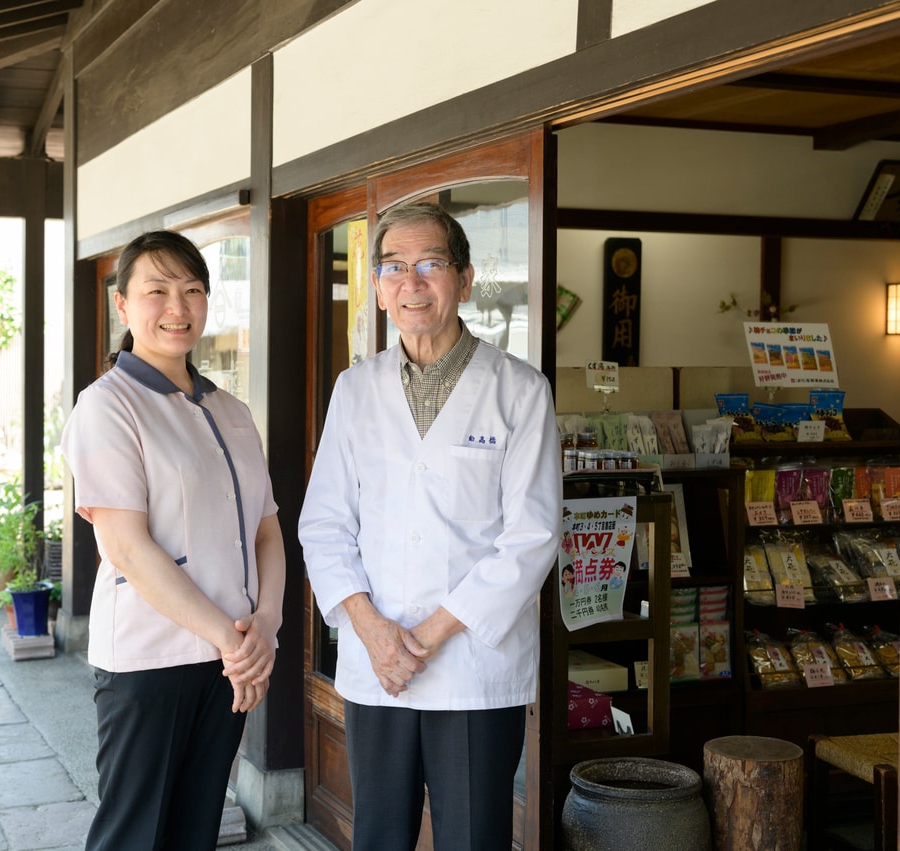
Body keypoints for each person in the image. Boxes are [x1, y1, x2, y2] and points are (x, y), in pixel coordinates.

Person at [298, 202, 561, 851]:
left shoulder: (519, 389)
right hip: (375, 661)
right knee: (379, 834)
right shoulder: (354, 389)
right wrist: (374, 630)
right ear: (380, 284)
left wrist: (426, 635)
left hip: (472, 663)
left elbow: (532, 535)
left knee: (475, 837)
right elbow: (324, 522)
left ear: (464, 280)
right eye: (393, 266)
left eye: (430, 264)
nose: (411, 282)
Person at [61, 230, 286, 851]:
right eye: (156, 290)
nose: (177, 308)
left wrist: (265, 623)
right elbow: (128, 548)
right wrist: (232, 640)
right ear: (122, 306)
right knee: (135, 833)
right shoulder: (108, 407)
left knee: (195, 829)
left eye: (192, 290)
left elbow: (266, 529)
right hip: (150, 659)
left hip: (228, 660)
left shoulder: (232, 410)